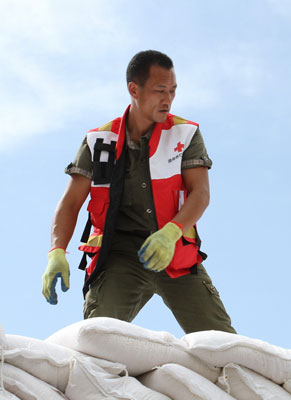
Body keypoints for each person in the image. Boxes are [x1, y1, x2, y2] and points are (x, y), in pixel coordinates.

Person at [41, 50, 235, 334]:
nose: (168, 99)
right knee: (97, 336)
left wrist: (171, 233)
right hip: (119, 257)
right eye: (159, 90)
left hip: (172, 249)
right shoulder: (99, 141)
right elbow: (71, 202)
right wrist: (57, 252)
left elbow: (201, 194)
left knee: (221, 343)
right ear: (134, 89)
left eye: (172, 90)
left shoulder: (185, 134)